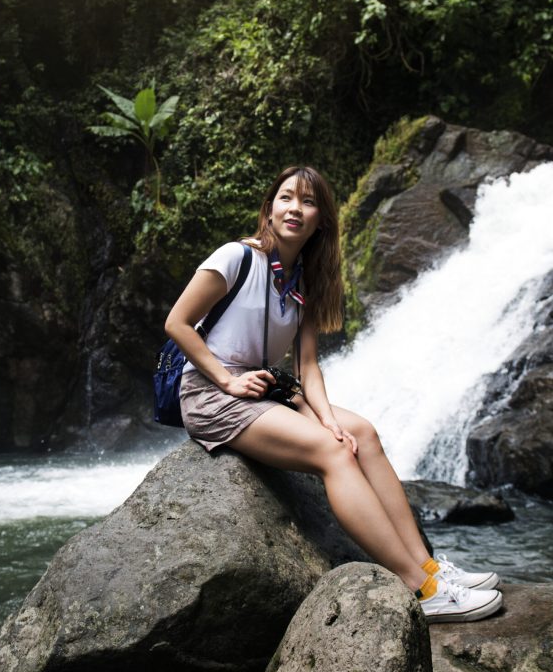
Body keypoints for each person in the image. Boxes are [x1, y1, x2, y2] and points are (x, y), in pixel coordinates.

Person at [165, 165, 503, 623]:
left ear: (321, 218)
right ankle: (419, 589)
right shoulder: (234, 257)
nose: (294, 209)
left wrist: (327, 418)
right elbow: (177, 324)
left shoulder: (301, 280)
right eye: (286, 198)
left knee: (358, 432)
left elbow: (307, 366)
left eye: (307, 202)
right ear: (270, 208)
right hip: (212, 395)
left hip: (263, 392)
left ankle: (429, 566)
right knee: (333, 453)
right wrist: (226, 380)